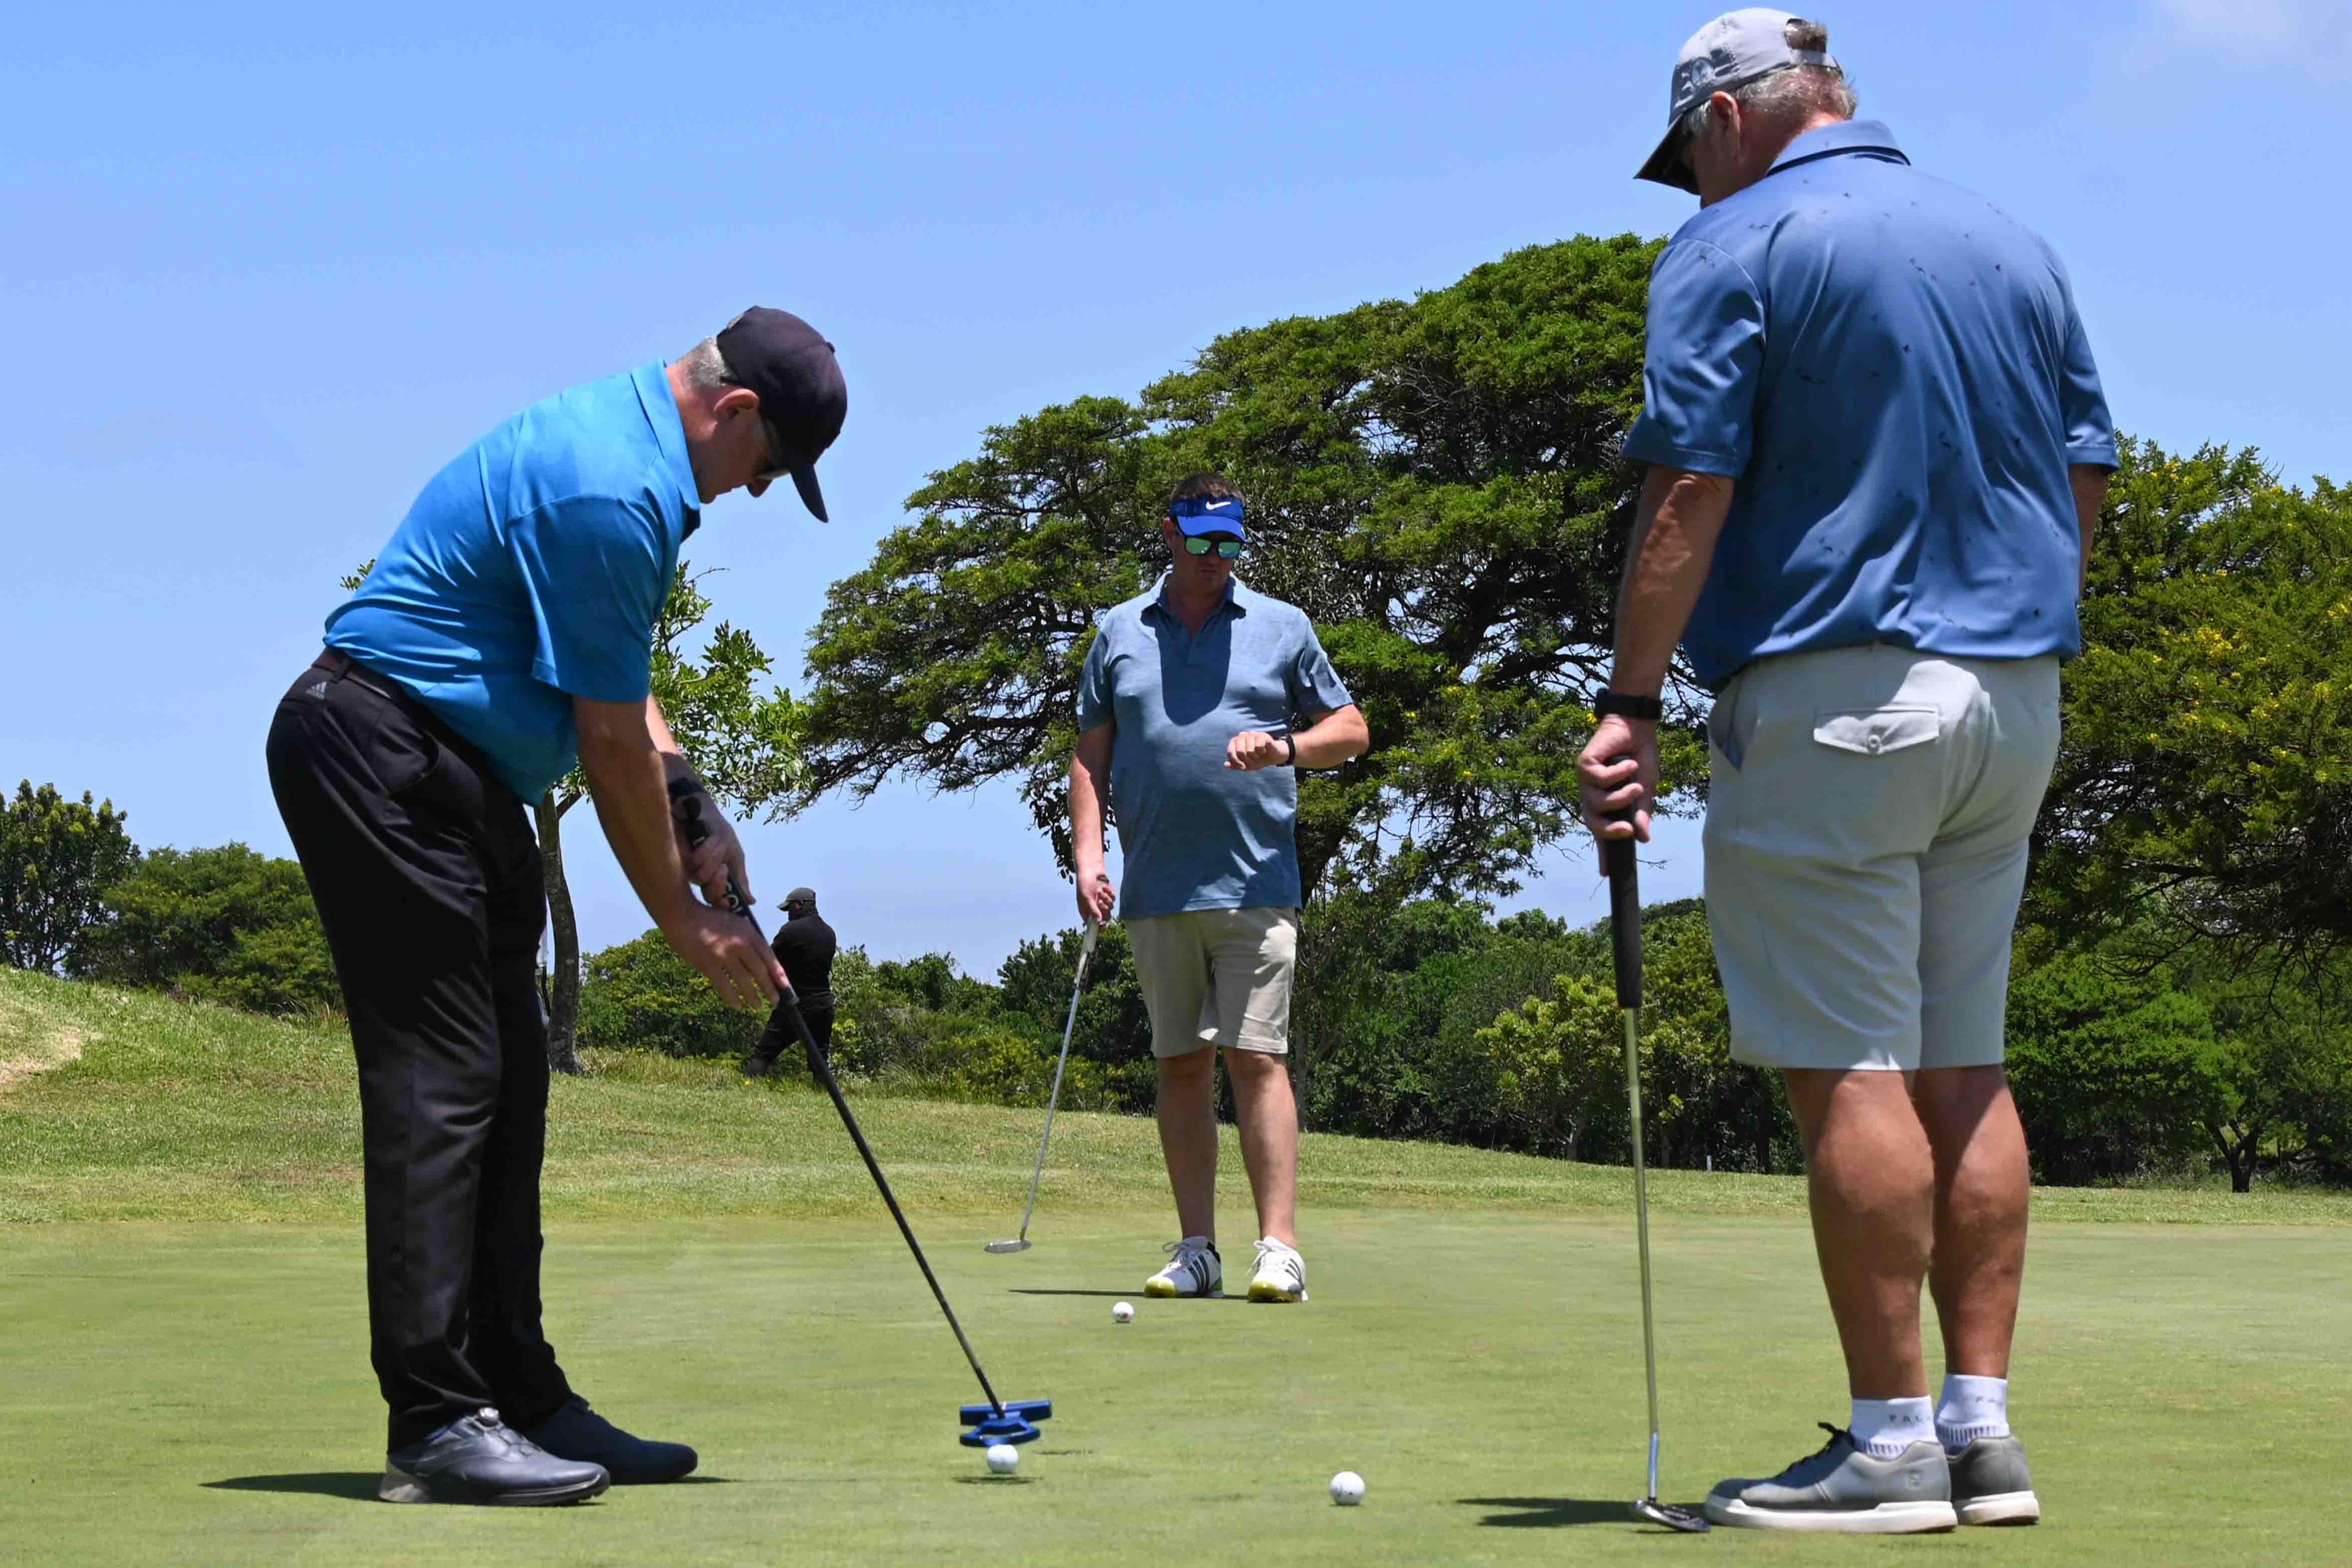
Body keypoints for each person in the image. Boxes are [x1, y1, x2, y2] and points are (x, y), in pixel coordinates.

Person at [1581, 12, 2116, 1533]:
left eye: (1687, 149)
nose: (1688, 180)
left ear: (1729, 117)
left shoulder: (1729, 245)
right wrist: (2019, 622)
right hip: (2012, 693)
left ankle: (1887, 1447)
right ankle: (1978, 1429)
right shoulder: (2008, 239)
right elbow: (2082, 468)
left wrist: (1629, 698)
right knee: (1962, 1058)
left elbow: (1689, 480)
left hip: (1834, 687)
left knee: (1851, 1062)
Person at [266, 307, 845, 1505]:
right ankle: (435, 1419)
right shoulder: (611, 487)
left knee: (512, 1076)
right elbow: (601, 735)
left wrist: (698, 816)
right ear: (737, 413)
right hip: (379, 748)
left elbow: (623, 699)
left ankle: (519, 1390)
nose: (756, 488)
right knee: (447, 1077)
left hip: (460, 774)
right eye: (772, 465)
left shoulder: (629, 458)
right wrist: (688, 924)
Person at [1070, 473, 1370, 1303]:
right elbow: (1091, 758)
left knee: (1258, 1058)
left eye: (1230, 541)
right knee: (1179, 1065)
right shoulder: (1118, 632)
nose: (1216, 556)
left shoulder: (1283, 626)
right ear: (1169, 533)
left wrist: (1285, 748)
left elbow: (1351, 730)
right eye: (1202, 540)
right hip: (1157, 886)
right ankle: (1196, 1248)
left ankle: (1278, 1249)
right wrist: (1090, 857)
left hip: (1256, 883)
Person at [744, 887, 838, 1076]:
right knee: (819, 1060)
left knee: (763, 1054)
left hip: (797, 1005)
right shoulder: (829, 933)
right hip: (824, 1005)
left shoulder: (791, 931)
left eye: (790, 909)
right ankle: (822, 1094)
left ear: (800, 905)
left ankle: (748, 1086)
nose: (788, 915)